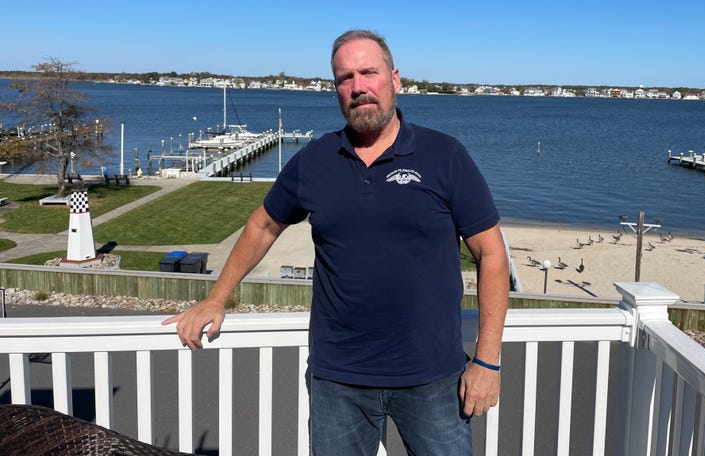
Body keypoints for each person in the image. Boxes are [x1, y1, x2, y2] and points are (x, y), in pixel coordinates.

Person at [164, 29, 509, 455]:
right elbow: (263, 226)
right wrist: (217, 297)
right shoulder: (315, 161)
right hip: (339, 381)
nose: (359, 87)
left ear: (395, 79)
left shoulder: (444, 156)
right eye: (345, 78)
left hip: (433, 377)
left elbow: (491, 254)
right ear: (336, 90)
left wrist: (487, 359)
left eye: (369, 72)